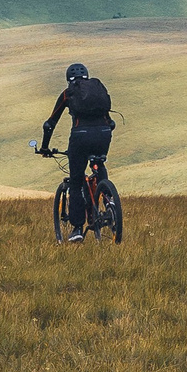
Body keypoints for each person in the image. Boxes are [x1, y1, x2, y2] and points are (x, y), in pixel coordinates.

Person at [39, 62, 115, 243]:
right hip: (103, 135)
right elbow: (110, 122)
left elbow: (50, 124)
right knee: (99, 162)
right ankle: (109, 202)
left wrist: (44, 147)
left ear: (68, 79)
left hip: (80, 137)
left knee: (76, 180)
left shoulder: (68, 93)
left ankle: (77, 228)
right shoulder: (97, 90)